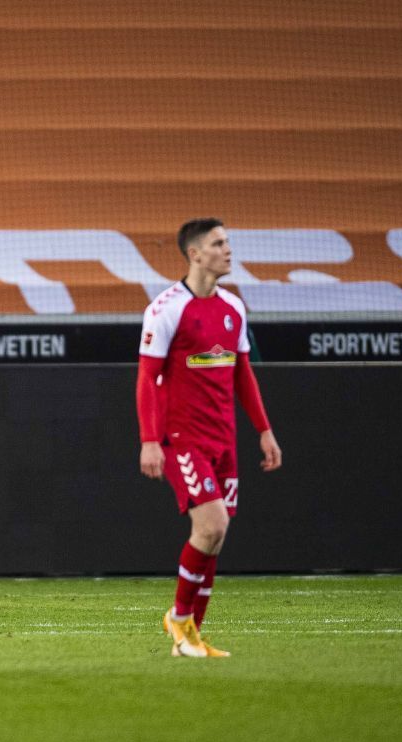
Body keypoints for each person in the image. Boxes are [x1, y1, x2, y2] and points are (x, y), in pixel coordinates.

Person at [137, 218, 282, 657]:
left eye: (228, 242)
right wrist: (149, 440)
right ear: (195, 254)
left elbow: (242, 374)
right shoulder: (166, 308)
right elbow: (147, 378)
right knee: (211, 524)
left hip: (224, 440)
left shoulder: (234, 308)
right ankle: (179, 620)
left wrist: (264, 430)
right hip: (183, 439)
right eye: (219, 243)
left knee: (217, 536)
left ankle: (191, 637)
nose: (228, 250)